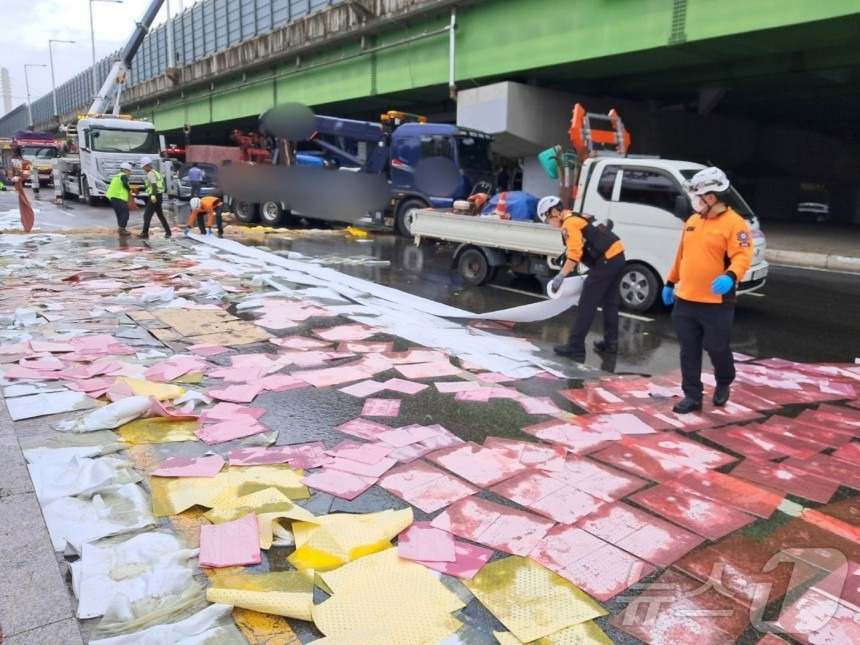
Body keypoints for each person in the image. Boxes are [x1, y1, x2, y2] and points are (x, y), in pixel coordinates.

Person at [662, 167, 753, 414]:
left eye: (698, 197)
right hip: (686, 299)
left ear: (711, 197)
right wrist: (670, 282)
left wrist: (731, 276)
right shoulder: (692, 221)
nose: (695, 203)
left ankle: (724, 381)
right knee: (688, 350)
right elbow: (682, 255)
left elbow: (743, 256)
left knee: (717, 347)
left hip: (716, 302)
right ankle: (692, 395)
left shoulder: (735, 224)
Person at [538, 195, 626, 363]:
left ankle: (575, 346)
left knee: (587, 303)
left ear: (555, 212)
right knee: (610, 302)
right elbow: (587, 239)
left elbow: (576, 254)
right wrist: (566, 254)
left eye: (548, 219)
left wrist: (561, 275)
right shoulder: (577, 215)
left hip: (605, 262)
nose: (550, 223)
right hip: (618, 257)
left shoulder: (569, 224)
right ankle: (611, 343)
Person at [138, 156, 171, 239]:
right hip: (159, 196)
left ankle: (144, 233)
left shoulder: (150, 173)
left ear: (147, 166)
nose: (143, 169)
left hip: (155, 196)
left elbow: (154, 185)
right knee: (160, 215)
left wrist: (153, 195)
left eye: (144, 167)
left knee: (147, 215)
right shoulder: (156, 172)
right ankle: (168, 232)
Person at [106, 162, 133, 236]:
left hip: (113, 197)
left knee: (119, 214)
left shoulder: (116, 176)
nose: (130, 173)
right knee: (125, 214)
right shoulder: (123, 176)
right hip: (119, 197)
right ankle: (122, 229)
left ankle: (121, 228)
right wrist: (129, 190)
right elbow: (125, 184)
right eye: (129, 171)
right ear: (125, 170)